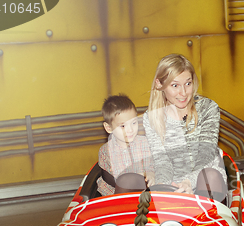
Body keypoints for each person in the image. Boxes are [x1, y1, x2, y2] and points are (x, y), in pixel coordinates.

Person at [144, 54, 227, 201]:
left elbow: (205, 156)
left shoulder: (208, 108)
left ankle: (208, 221)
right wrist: (164, 185)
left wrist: (188, 182)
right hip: (173, 184)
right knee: (132, 181)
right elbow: (162, 161)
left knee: (209, 176)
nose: (183, 93)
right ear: (159, 84)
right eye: (175, 85)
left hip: (205, 179)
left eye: (188, 84)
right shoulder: (151, 117)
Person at [97, 94, 155, 196]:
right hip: (117, 197)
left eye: (133, 123)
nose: (130, 130)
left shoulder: (146, 143)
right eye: (123, 126)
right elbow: (108, 182)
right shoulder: (106, 151)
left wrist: (151, 174)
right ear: (109, 128)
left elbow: (154, 165)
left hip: (145, 195)